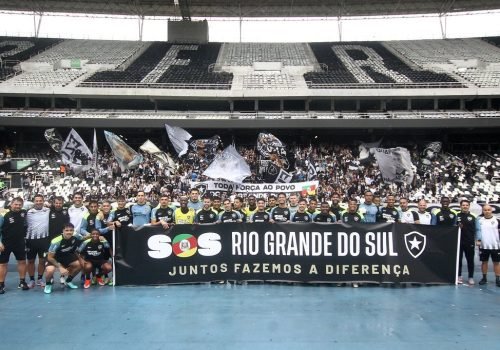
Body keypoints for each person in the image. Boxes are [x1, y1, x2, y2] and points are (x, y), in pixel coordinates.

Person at [0, 197, 29, 293]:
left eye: (20, 205)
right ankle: (1, 284)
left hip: (20, 242)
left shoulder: (23, 213)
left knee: (22, 262)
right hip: (5, 243)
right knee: (3, 263)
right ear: (11, 204)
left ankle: (22, 282)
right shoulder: (4, 215)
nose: (17, 206)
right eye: (15, 204)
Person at [43, 223, 83, 294]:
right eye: (67, 230)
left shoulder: (75, 236)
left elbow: (84, 238)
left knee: (79, 265)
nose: (69, 232)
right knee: (50, 270)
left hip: (65, 256)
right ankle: (48, 284)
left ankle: (68, 281)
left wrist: (99, 237)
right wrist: (60, 267)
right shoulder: (56, 241)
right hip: (53, 258)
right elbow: (50, 257)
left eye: (71, 230)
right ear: (63, 231)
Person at [25, 194, 50, 288]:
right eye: (37, 201)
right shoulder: (28, 212)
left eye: (40, 200)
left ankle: (39, 279)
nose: (39, 202)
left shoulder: (48, 210)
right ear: (34, 202)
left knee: (42, 261)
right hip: (30, 240)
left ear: (43, 201)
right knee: (31, 261)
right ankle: (31, 280)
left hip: (44, 240)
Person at [476, 204, 500, 286]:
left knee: (496, 263)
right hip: (483, 246)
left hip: (495, 246)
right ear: (483, 211)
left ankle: (498, 279)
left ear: (491, 210)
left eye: (488, 210)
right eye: (485, 210)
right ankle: (484, 278)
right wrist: (478, 240)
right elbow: (477, 232)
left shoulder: (497, 220)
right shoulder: (479, 220)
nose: (487, 211)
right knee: (484, 262)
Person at [456, 199, 477, 285]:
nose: (465, 206)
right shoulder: (457, 215)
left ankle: (470, 277)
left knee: (470, 260)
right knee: (458, 260)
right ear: (460, 206)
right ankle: (459, 276)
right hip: (459, 241)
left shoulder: (473, 216)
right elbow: (453, 226)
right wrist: (457, 226)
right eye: (463, 205)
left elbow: (477, 229)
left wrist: (477, 240)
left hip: (469, 241)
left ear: (469, 206)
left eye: (466, 205)